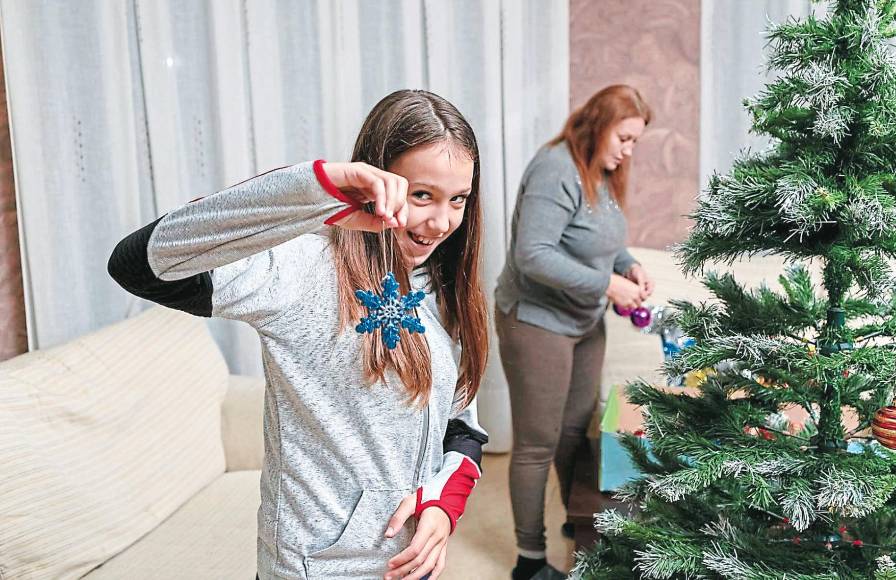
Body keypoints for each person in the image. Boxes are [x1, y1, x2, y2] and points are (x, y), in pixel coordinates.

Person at [108, 89, 489, 580]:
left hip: (410, 565)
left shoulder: (444, 287)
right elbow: (139, 265)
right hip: (314, 569)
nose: (441, 222)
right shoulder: (302, 269)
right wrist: (315, 192)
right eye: (422, 196)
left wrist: (442, 505)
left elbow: (461, 426)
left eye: (457, 200)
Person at [494, 84, 654, 580]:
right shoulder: (556, 169)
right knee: (537, 444)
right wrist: (607, 285)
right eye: (624, 138)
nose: (628, 151)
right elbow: (533, 254)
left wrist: (627, 266)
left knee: (574, 430)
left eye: (635, 142)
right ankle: (530, 560)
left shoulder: (599, 171)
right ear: (598, 125)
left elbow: (597, 239)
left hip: (585, 322)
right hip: (538, 322)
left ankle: (577, 521)